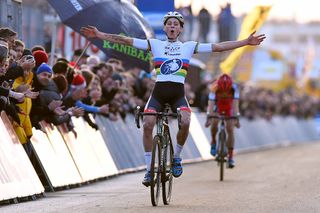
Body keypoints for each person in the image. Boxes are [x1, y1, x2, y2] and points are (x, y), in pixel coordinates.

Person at [80, 11, 265, 186]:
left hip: (177, 94)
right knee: (147, 124)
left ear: (180, 29)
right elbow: (126, 41)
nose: (172, 26)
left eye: (176, 24)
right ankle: (149, 170)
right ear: (165, 27)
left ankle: (176, 157)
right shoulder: (155, 44)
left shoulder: (188, 46)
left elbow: (218, 47)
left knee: (185, 121)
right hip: (158, 93)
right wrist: (100, 35)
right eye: (169, 24)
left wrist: (245, 42)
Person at [205, 74, 240, 168]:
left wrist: (237, 117)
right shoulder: (214, 88)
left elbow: (235, 105)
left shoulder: (234, 88)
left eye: (226, 91)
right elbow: (211, 105)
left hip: (229, 107)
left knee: (230, 129)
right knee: (214, 123)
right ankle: (213, 141)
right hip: (218, 106)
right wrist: (209, 116)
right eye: (222, 90)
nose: (224, 92)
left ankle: (231, 157)